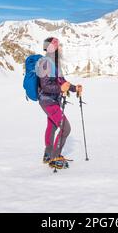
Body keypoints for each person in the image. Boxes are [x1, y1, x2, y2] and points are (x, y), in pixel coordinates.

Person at [36, 37, 82, 169]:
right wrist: (60, 89)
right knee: (65, 128)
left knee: (52, 126)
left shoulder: (55, 63)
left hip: (51, 100)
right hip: (48, 101)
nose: (60, 48)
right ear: (52, 48)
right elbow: (45, 86)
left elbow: (62, 81)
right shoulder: (45, 63)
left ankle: (48, 154)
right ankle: (55, 157)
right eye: (58, 46)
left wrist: (74, 88)